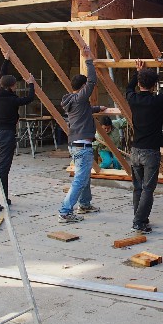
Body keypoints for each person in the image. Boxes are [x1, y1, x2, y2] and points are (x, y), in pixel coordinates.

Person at [126, 57, 163, 233]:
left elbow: (128, 88)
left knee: (138, 187)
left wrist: (137, 73)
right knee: (148, 189)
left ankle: (139, 218)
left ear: (140, 84)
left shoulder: (133, 98)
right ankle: (139, 221)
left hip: (135, 150)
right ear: (154, 86)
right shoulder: (157, 101)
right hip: (151, 151)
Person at [58, 45, 106, 223]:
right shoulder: (80, 98)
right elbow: (93, 82)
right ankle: (65, 211)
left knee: (84, 175)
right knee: (80, 179)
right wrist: (89, 60)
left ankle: (85, 204)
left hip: (74, 143)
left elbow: (82, 111)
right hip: (82, 145)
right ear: (83, 87)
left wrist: (96, 108)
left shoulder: (71, 100)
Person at [0, 52, 35, 209]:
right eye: (15, 84)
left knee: (1, 168)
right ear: (12, 86)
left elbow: (1, 76)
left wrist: (6, 60)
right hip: (6, 136)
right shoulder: (12, 100)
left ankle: (1, 198)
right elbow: (29, 99)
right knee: (2, 169)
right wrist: (31, 83)